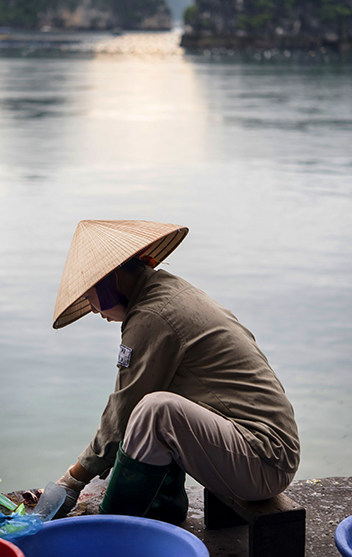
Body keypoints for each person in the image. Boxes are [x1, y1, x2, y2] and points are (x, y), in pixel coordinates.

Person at [52, 219, 300, 523]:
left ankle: (112, 528)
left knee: (156, 410)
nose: (92, 308)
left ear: (108, 281)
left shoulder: (152, 315)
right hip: (262, 452)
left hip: (263, 461)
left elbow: (122, 413)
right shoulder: (167, 290)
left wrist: (72, 481)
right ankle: (163, 507)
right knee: (156, 400)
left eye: (89, 296)